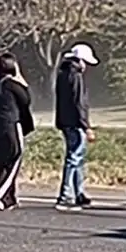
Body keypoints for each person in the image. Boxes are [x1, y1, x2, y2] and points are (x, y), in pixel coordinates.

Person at [0, 52, 35, 211]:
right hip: (10, 125)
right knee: (14, 160)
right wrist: (21, 79)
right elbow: (26, 100)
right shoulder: (12, 85)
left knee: (1, 163)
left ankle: (9, 198)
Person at [54, 43, 99, 211]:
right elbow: (79, 103)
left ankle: (79, 193)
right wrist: (86, 126)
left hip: (65, 122)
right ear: (79, 60)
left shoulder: (62, 74)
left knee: (77, 159)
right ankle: (65, 195)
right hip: (75, 123)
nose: (86, 66)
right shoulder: (76, 77)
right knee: (74, 159)